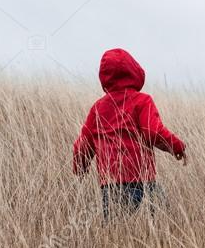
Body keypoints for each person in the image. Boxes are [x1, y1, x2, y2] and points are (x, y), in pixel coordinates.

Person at [73, 48, 186, 218]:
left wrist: (80, 167)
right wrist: (177, 147)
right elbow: (153, 132)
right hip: (143, 183)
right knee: (162, 223)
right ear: (135, 70)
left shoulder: (97, 108)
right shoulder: (142, 101)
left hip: (110, 187)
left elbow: (83, 144)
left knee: (115, 231)